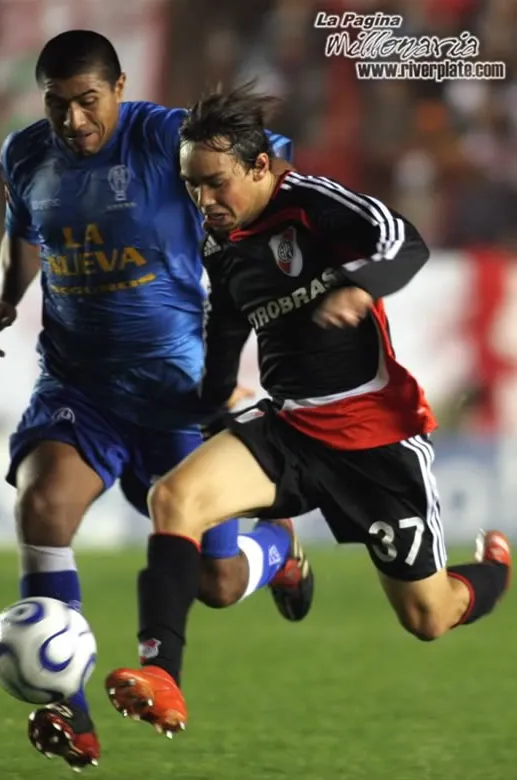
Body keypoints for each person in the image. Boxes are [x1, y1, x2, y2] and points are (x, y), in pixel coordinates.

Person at [104, 85, 512, 738]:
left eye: (215, 183)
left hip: (374, 442)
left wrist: (358, 286)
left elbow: (403, 242)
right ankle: (162, 676)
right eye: (192, 186)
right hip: (290, 430)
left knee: (427, 616)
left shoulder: (313, 204)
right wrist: (208, 404)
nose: (203, 201)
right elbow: (227, 326)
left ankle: (494, 569)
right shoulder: (221, 242)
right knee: (173, 499)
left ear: (260, 167)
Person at [0, 33, 313, 770]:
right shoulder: (25, 155)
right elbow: (23, 231)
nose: (74, 121)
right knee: (43, 506)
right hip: (79, 386)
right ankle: (71, 712)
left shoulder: (165, 138)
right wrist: (6, 299)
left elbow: (265, 159)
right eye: (57, 105)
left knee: (217, 583)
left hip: (177, 393)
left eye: (88, 101)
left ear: (120, 88)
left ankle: (277, 549)